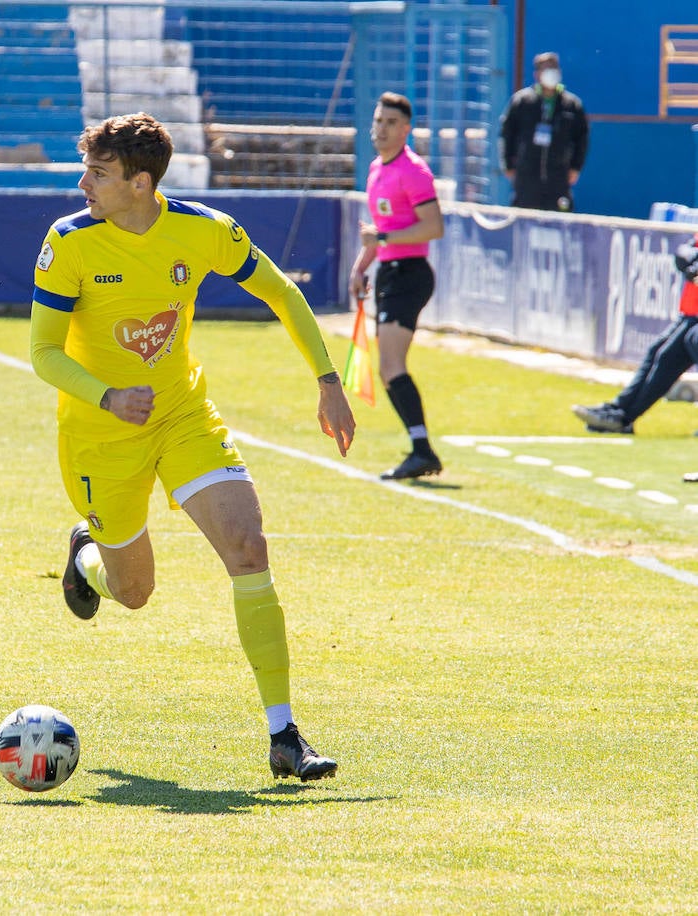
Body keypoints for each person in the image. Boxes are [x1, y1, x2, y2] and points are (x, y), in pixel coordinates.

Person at [29, 112, 356, 782]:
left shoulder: (203, 230)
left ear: (141, 183)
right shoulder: (68, 243)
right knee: (134, 591)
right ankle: (85, 557)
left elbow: (282, 292)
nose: (82, 182)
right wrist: (108, 397)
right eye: (86, 168)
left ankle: (284, 734)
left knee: (247, 546)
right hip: (99, 437)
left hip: (183, 416)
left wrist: (328, 380)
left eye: (99, 172)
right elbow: (42, 354)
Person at [349, 92, 446, 481]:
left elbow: (432, 227)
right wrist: (361, 267)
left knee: (391, 366)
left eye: (391, 123)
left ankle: (422, 450)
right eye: (378, 121)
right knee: (389, 370)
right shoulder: (376, 169)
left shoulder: (413, 171)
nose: (381, 129)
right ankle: (420, 448)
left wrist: (383, 243)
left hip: (410, 273)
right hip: (390, 273)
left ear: (406, 130)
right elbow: (380, 234)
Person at [573, 231, 698, 439]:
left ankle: (621, 416)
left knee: (670, 354)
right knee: (660, 353)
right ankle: (619, 414)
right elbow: (683, 252)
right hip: (691, 312)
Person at [499, 52, 590, 212]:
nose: (551, 72)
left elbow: (581, 138)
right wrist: (507, 164)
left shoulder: (571, 104)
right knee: (524, 217)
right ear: (537, 74)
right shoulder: (522, 101)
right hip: (527, 175)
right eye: (546, 68)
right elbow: (507, 133)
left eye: (553, 68)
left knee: (559, 218)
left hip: (558, 176)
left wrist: (576, 167)